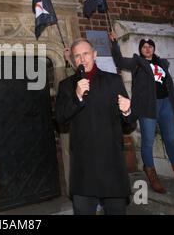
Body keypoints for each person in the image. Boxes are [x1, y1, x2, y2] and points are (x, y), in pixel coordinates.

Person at [109, 32, 174, 193]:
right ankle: (152, 176)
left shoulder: (162, 64)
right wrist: (114, 44)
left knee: (170, 140)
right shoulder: (137, 63)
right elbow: (120, 61)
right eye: (144, 46)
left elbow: (169, 85)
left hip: (166, 104)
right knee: (148, 142)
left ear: (153, 48)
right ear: (141, 49)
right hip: (148, 107)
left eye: (150, 46)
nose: (147, 48)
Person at [55, 38, 136, 215]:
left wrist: (127, 111)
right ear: (73, 60)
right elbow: (60, 120)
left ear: (94, 54)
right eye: (77, 56)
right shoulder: (67, 86)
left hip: (111, 163)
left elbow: (129, 125)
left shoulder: (113, 81)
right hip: (84, 167)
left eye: (86, 54)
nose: (82, 59)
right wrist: (77, 97)